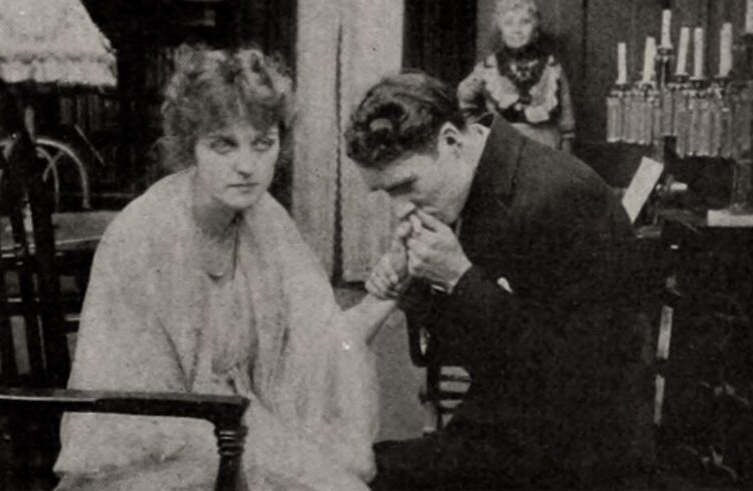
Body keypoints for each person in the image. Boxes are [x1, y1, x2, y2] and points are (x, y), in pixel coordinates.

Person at [53, 45, 405, 491]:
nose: (246, 166)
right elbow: (144, 412)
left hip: (233, 430)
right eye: (223, 144)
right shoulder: (148, 232)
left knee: (342, 469)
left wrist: (384, 297)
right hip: (155, 452)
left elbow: (321, 348)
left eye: (262, 144)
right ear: (191, 147)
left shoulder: (265, 220)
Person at [347, 72, 654, 489]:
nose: (400, 210)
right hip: (509, 428)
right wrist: (413, 280)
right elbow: (462, 350)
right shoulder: (477, 183)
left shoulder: (563, 196)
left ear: (451, 140)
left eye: (406, 185)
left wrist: (458, 278)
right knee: (340, 469)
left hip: (579, 456)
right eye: (386, 193)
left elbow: (577, 377)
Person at [458, 0, 575, 152]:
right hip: (504, 147)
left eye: (525, 22)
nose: (517, 30)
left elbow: (566, 114)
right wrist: (477, 132)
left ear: (536, 29)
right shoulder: (488, 68)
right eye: (508, 23)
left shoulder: (551, 66)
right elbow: (464, 98)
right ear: (499, 29)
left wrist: (566, 148)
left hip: (545, 145)